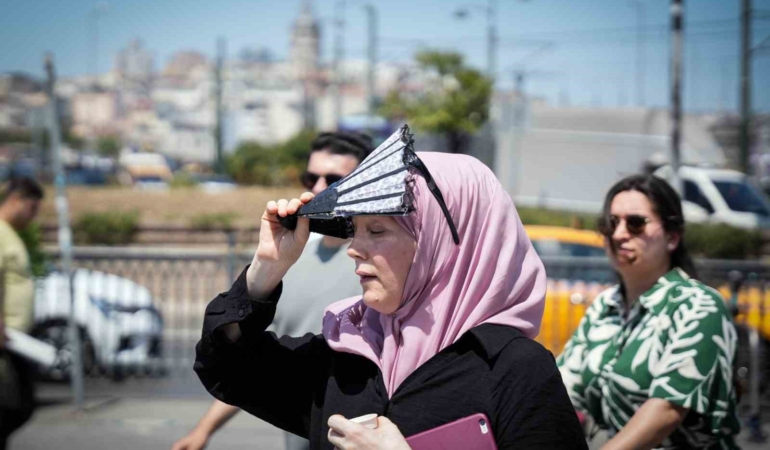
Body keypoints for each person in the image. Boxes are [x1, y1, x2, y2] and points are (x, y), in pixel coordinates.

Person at [194, 150, 587, 449]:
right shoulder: (350, 355)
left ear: (440, 245)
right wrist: (266, 270)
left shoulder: (514, 369)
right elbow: (227, 367)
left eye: (377, 231)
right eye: (355, 229)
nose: (354, 248)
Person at [172, 132, 373, 450]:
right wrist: (203, 431)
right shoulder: (294, 252)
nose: (319, 187)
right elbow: (257, 357)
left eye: (333, 178)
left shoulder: (379, 263)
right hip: (301, 429)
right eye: (312, 177)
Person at [557, 174, 741, 449]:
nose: (619, 234)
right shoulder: (604, 305)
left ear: (672, 237)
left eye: (635, 223)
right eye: (611, 223)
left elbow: (666, 410)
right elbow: (562, 391)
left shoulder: (699, 305)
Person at [0, 177, 44, 450]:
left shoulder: (8, 233)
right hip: (5, 340)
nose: (34, 216)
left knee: (17, 405)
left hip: (14, 339)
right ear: (16, 200)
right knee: (12, 405)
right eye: (32, 208)